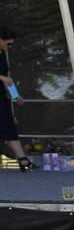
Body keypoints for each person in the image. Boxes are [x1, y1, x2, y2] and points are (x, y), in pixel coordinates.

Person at [0, 27, 38, 171]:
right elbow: (3, 77)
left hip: (1, 99)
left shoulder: (2, 54)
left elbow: (8, 79)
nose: (9, 47)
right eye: (8, 43)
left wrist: (16, 95)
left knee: (8, 127)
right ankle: (22, 159)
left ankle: (23, 159)